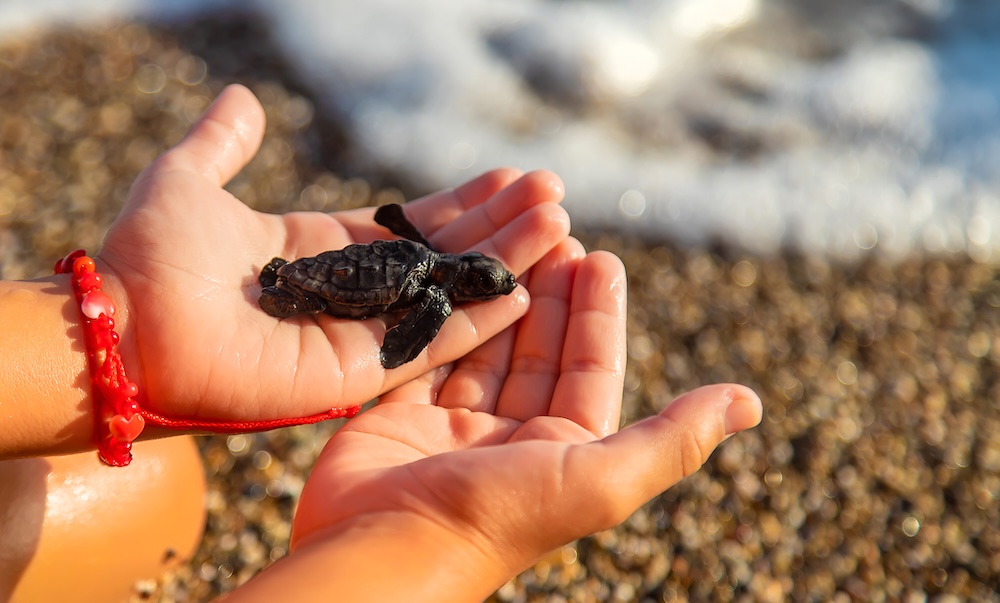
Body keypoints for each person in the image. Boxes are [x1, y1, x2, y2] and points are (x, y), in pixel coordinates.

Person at [0, 85, 762, 602]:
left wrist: (127, 329)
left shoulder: (428, 259)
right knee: (154, 493)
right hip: (337, 283)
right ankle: (285, 290)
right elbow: (406, 296)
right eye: (489, 283)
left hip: (345, 274)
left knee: (154, 491)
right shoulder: (430, 289)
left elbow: (398, 224)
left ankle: (278, 291)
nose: (492, 286)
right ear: (460, 283)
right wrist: (441, 540)